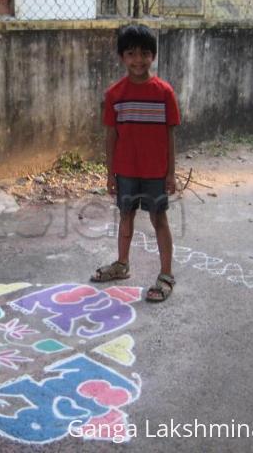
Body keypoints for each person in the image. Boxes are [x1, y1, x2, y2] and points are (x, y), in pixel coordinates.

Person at [91, 24, 181, 302]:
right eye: (131, 53)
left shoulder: (164, 93)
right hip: (126, 171)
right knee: (126, 216)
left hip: (155, 172)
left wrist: (170, 173)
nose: (138, 60)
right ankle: (122, 264)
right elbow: (111, 137)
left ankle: (166, 274)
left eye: (144, 53)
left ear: (153, 56)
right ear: (122, 57)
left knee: (158, 219)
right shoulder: (115, 94)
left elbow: (170, 136)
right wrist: (110, 175)